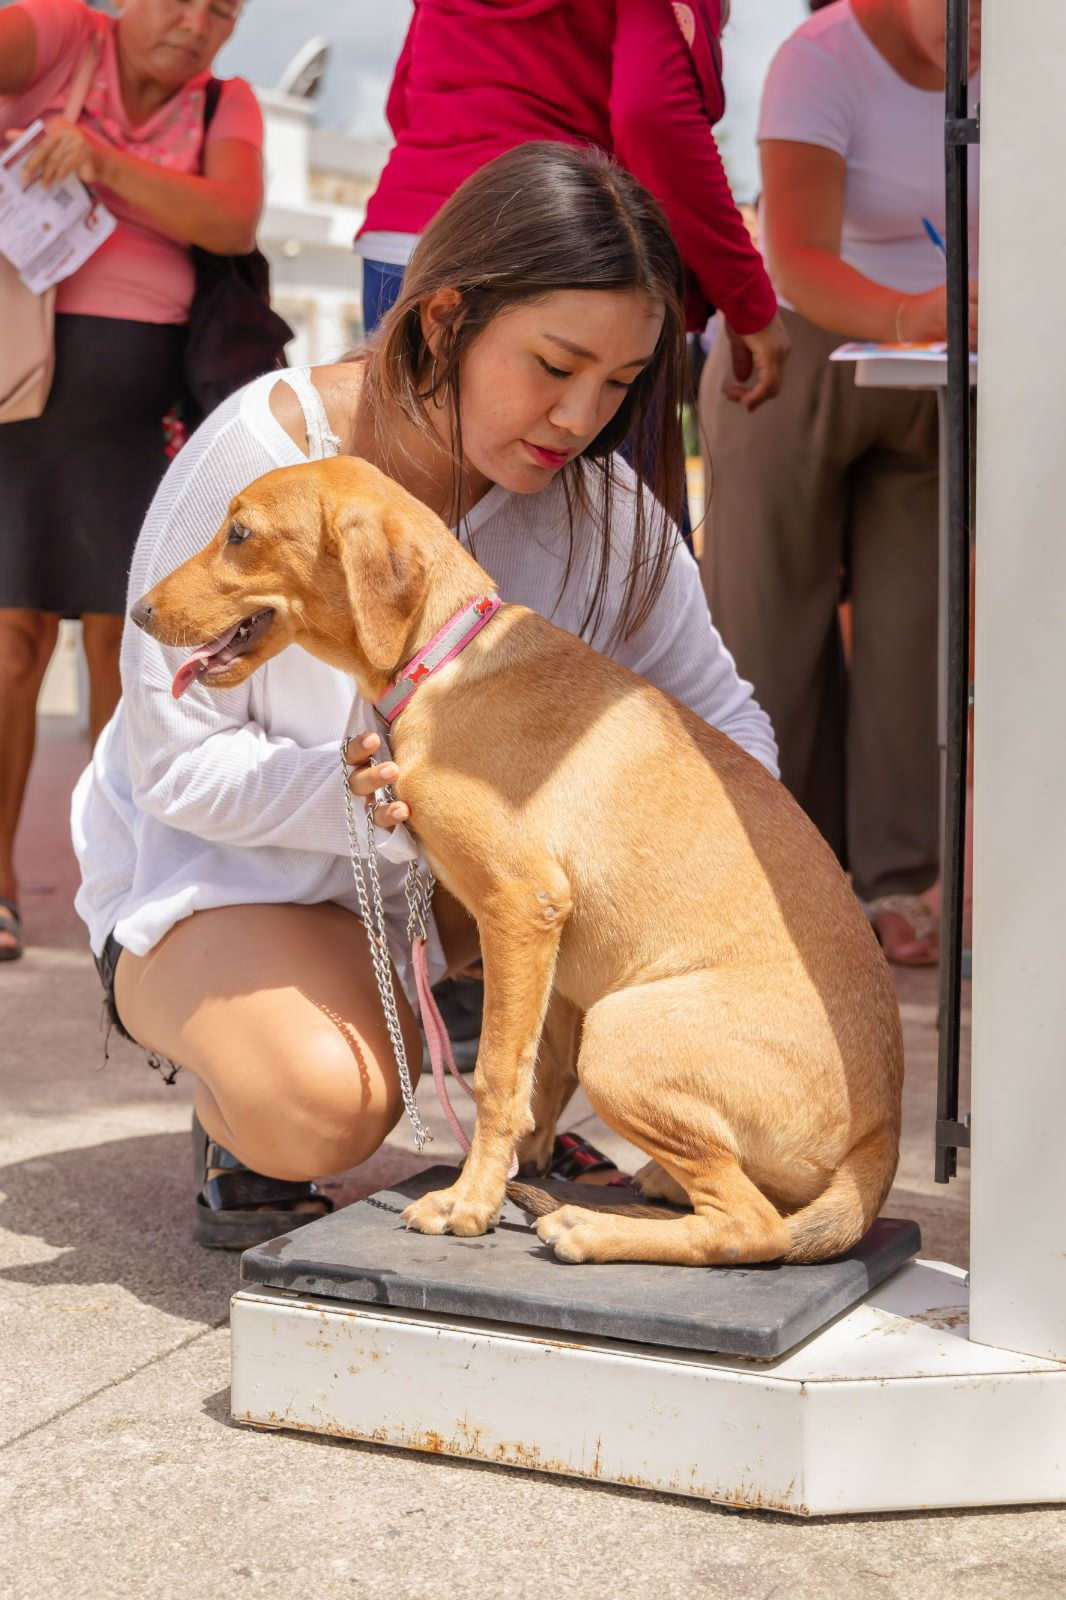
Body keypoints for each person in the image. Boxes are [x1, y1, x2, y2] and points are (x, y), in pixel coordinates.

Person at [71, 142, 779, 1249]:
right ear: (444, 319)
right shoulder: (268, 455)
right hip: (224, 875)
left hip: (432, 909)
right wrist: (372, 796)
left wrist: (739, 885)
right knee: (319, 1106)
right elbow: (168, 765)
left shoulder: (603, 516)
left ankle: (516, 1104)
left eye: (621, 382)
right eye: (553, 364)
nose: (581, 414)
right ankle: (230, 1080)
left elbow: (724, 724)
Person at [698, 0, 980, 966]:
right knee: (771, 631)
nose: (980, 21)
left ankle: (904, 885)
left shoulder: (1019, 65)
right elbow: (796, 254)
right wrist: (914, 315)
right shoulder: (820, 60)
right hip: (796, 353)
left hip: (937, 371)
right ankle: (781, 877)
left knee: (917, 641)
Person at [0, 0, 263, 962]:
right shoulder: (64, 37)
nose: (195, 23)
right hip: (17, 388)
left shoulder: (224, 105)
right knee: (10, 646)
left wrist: (100, 163)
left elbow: (231, 220)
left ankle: (123, 884)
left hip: (149, 411)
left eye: (222, 9)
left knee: (129, 648)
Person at [356, 0, 789, 411]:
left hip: (404, 241)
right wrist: (747, 298)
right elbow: (654, 117)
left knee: (402, 481)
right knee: (604, 488)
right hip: (563, 248)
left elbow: (405, 99)